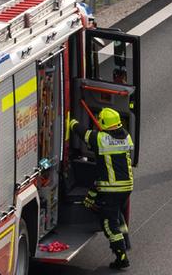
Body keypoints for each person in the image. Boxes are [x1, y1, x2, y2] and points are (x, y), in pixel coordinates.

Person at [70, 107, 134, 269]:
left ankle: (122, 257)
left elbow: (83, 133)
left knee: (109, 224)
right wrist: (91, 196)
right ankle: (125, 241)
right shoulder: (126, 136)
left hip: (111, 189)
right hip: (126, 187)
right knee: (117, 215)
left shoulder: (101, 139)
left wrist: (71, 122)